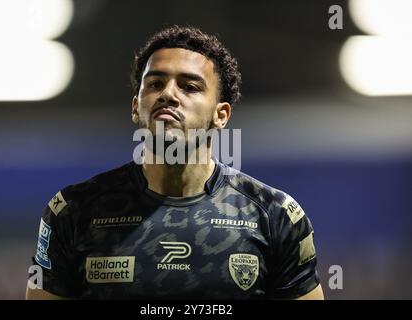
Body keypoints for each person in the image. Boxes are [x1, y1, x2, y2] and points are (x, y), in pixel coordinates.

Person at [26, 26, 324, 300]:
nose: (168, 94)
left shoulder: (275, 217)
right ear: (135, 106)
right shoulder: (73, 211)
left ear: (221, 115)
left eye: (190, 86)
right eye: (155, 83)